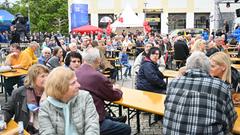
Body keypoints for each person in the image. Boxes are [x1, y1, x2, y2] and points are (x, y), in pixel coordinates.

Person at [163, 51, 237, 134]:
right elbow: (231, 120)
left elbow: (167, 108)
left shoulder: (173, 83)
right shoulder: (220, 86)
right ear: (208, 68)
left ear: (187, 66)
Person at [75, 48, 131, 135]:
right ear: (98, 60)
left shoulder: (76, 71)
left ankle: (113, 119)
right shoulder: (96, 76)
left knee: (109, 115)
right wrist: (118, 89)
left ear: (84, 59)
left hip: (80, 113)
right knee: (126, 129)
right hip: (93, 118)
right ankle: (112, 121)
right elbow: (114, 96)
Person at [39, 67, 99, 134]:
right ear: (61, 88)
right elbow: (47, 132)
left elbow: (92, 126)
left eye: (76, 81)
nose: (78, 85)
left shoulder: (85, 97)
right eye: (73, 83)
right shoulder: (45, 107)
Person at [2, 64, 49, 134]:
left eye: (48, 75)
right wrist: (3, 121)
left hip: (46, 130)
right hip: (25, 129)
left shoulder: (52, 93)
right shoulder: (19, 92)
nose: (47, 78)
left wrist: (46, 94)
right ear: (33, 78)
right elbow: (7, 110)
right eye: (43, 76)